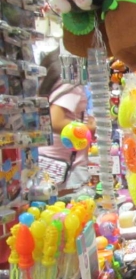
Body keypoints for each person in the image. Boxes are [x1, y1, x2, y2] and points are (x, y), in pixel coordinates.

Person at [37, 48, 95, 194]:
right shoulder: (70, 83)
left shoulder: (51, 78)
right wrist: (89, 128)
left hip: (48, 158)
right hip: (63, 164)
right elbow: (55, 120)